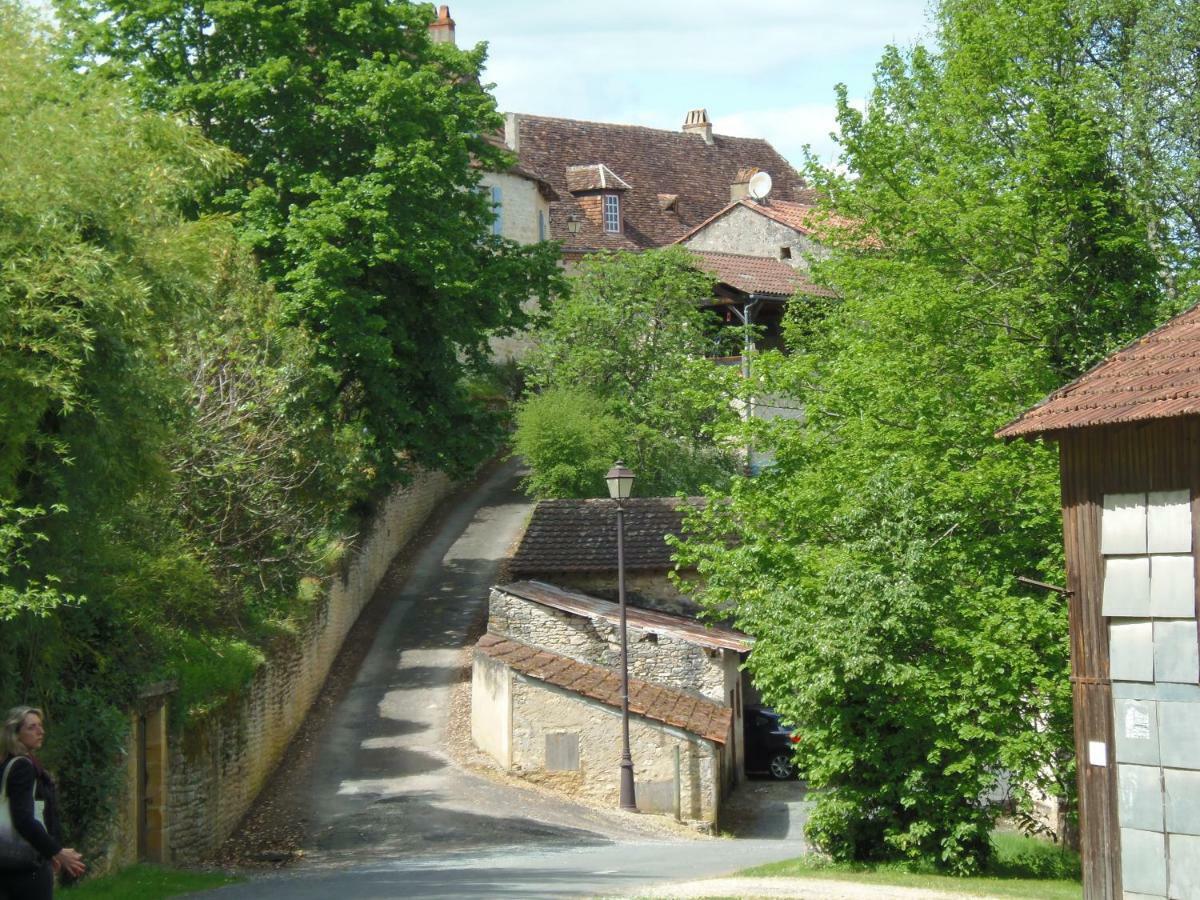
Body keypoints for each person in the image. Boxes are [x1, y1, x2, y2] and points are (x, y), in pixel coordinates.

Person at [0, 707, 84, 900]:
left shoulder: (6, 764)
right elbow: (23, 819)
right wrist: (56, 851)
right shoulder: (22, 766)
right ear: (16, 734)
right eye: (32, 727)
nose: (41, 731)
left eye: (40, 726)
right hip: (26, 868)